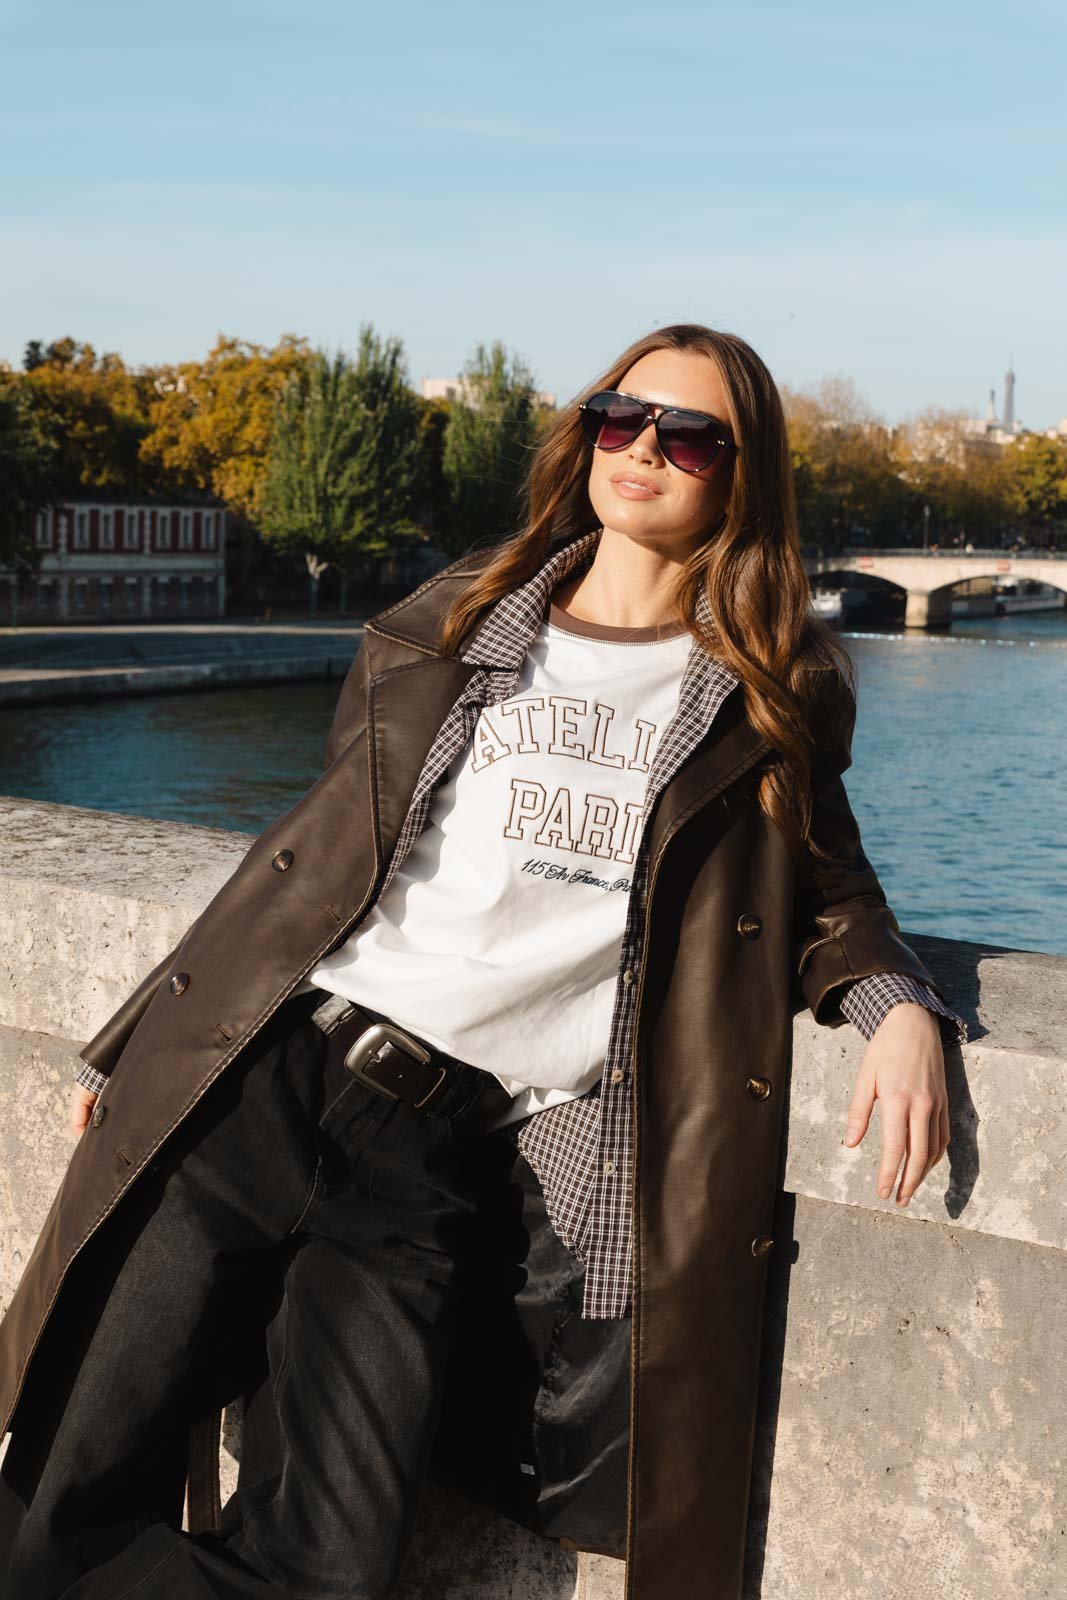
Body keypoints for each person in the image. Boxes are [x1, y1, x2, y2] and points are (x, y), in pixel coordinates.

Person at [0, 322, 968, 1600]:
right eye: (620, 416)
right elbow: (311, 859)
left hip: (436, 1157)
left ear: (741, 477)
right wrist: (140, 1045)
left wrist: (896, 1006)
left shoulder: (765, 692)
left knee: (330, 1563)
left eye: (688, 436)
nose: (642, 449)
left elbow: (829, 888)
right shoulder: (459, 617)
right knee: (61, 1486)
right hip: (264, 1083)